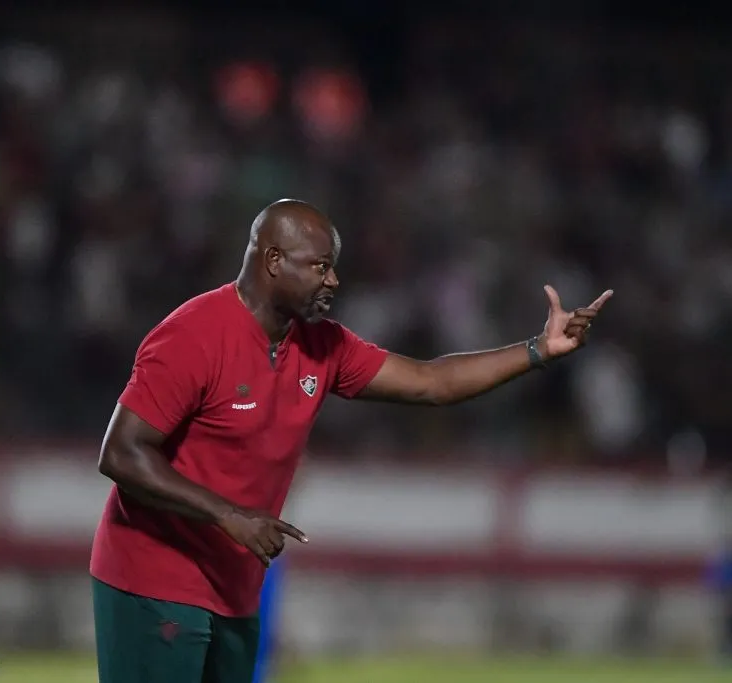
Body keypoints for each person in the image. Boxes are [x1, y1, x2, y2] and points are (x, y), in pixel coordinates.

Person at [89, 199, 613, 683]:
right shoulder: (193, 335)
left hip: (234, 588)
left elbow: (432, 382)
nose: (334, 280)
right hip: (153, 582)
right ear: (273, 260)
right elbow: (121, 453)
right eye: (319, 266)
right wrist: (229, 515)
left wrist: (538, 350)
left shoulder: (324, 345)